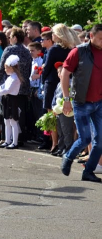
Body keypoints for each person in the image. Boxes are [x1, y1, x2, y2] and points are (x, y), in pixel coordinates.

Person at [60, 24, 102, 183]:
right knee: (85, 139)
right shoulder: (78, 51)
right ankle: (68, 157)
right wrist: (66, 99)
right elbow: (65, 74)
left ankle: (88, 171)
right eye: (100, 38)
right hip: (81, 102)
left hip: (100, 102)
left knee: (100, 141)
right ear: (91, 36)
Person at [40, 24, 78, 151]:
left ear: (58, 35)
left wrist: (42, 82)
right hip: (69, 83)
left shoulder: (54, 49)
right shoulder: (72, 49)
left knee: (52, 114)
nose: (52, 35)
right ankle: (67, 144)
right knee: (68, 115)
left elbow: (47, 68)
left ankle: (55, 143)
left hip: (52, 83)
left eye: (53, 33)